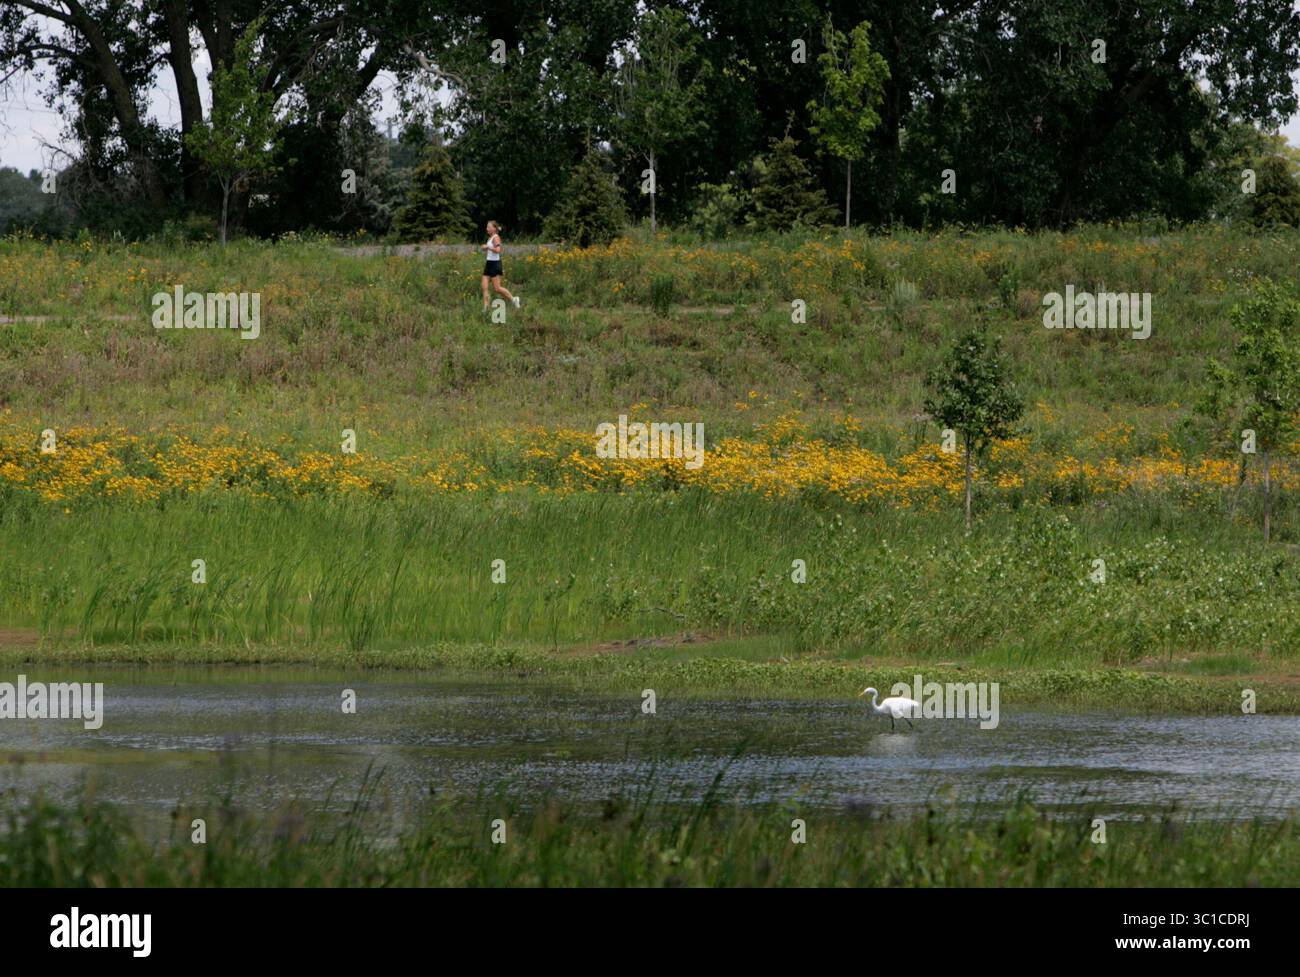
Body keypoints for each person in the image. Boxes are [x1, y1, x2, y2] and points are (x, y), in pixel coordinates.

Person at [480, 220, 520, 311]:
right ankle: (486, 308)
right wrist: (485, 248)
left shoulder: (496, 237)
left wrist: (488, 247)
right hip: (489, 263)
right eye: (487, 227)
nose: (487, 229)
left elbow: (498, 250)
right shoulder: (490, 238)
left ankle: (514, 299)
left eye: (488, 227)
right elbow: (491, 250)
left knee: (497, 288)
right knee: (484, 287)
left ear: (494, 228)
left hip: (495, 264)